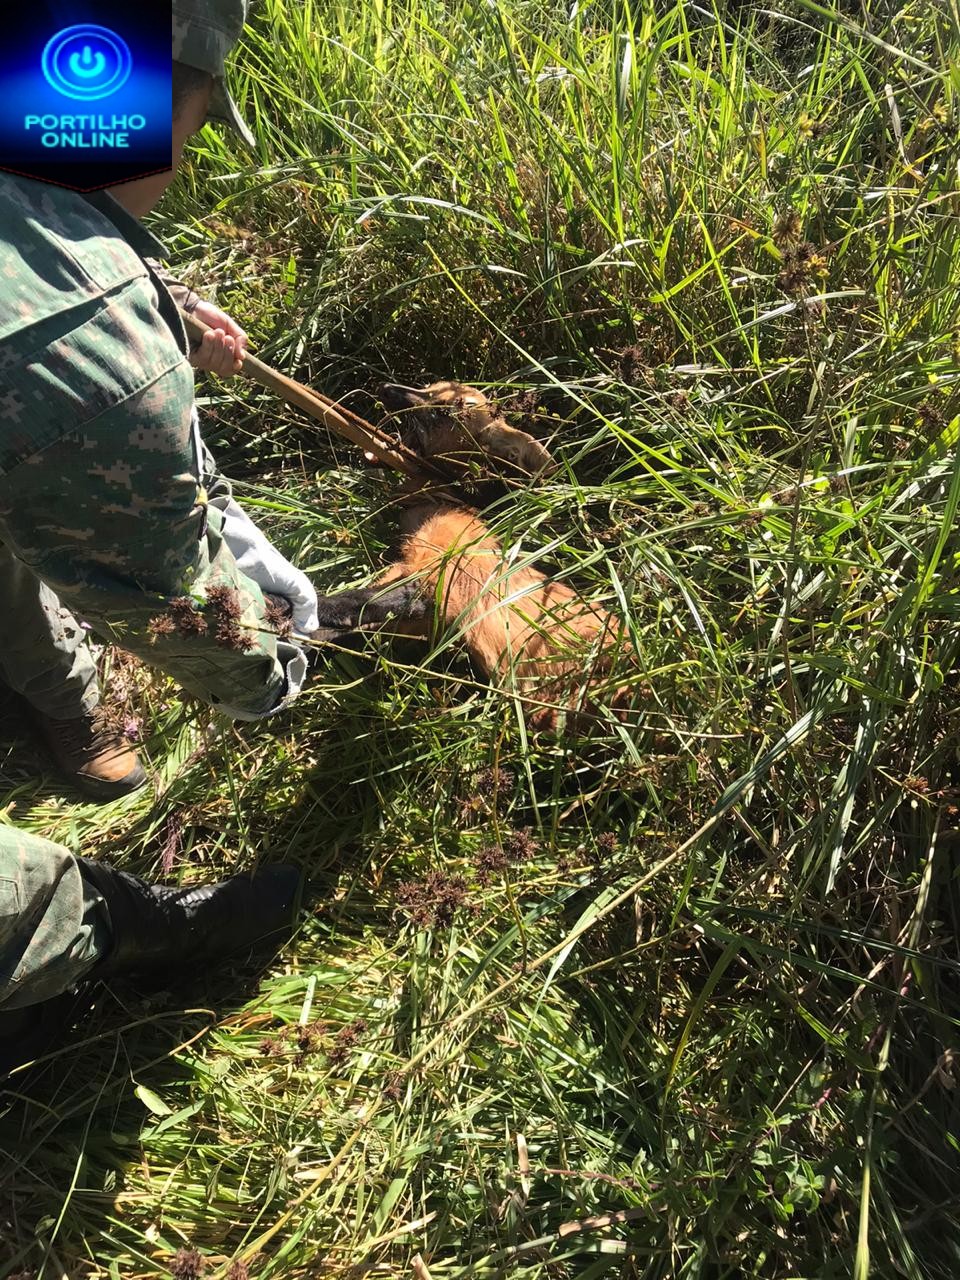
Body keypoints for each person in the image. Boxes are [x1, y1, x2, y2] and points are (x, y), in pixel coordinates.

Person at [0, 0, 320, 1062]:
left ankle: (59, 689)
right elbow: (187, 601)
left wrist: (149, 295)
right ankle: (125, 930)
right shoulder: (72, 348)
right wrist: (271, 671)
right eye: (188, 130)